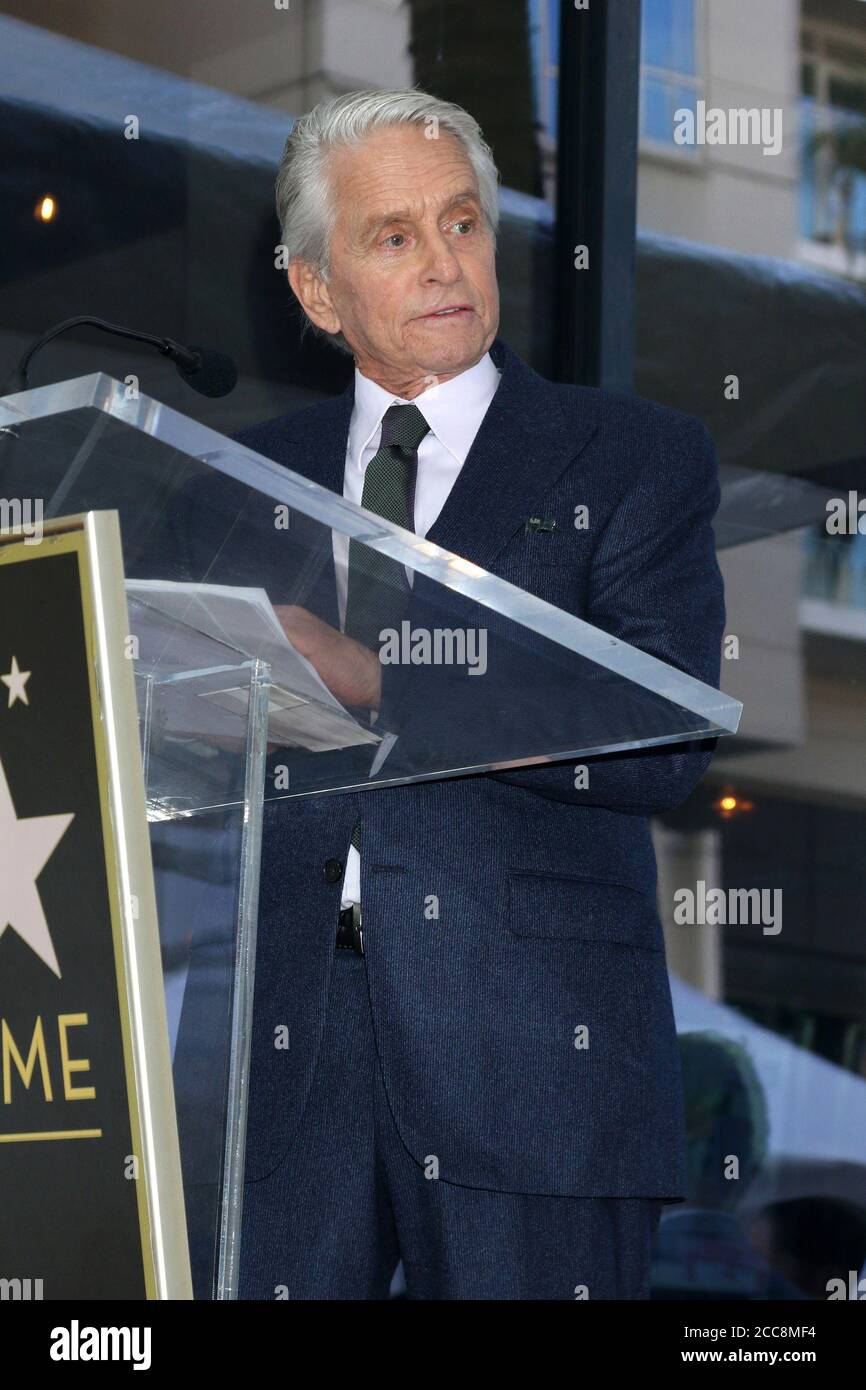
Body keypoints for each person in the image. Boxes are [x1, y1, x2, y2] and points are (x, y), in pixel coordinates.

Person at [232, 87, 726, 1301]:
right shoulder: (241, 482)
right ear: (314, 290)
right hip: (283, 1053)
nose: (444, 262)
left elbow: (658, 730)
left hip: (534, 1048)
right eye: (393, 237)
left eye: (461, 222)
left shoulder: (629, 459)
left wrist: (385, 678)